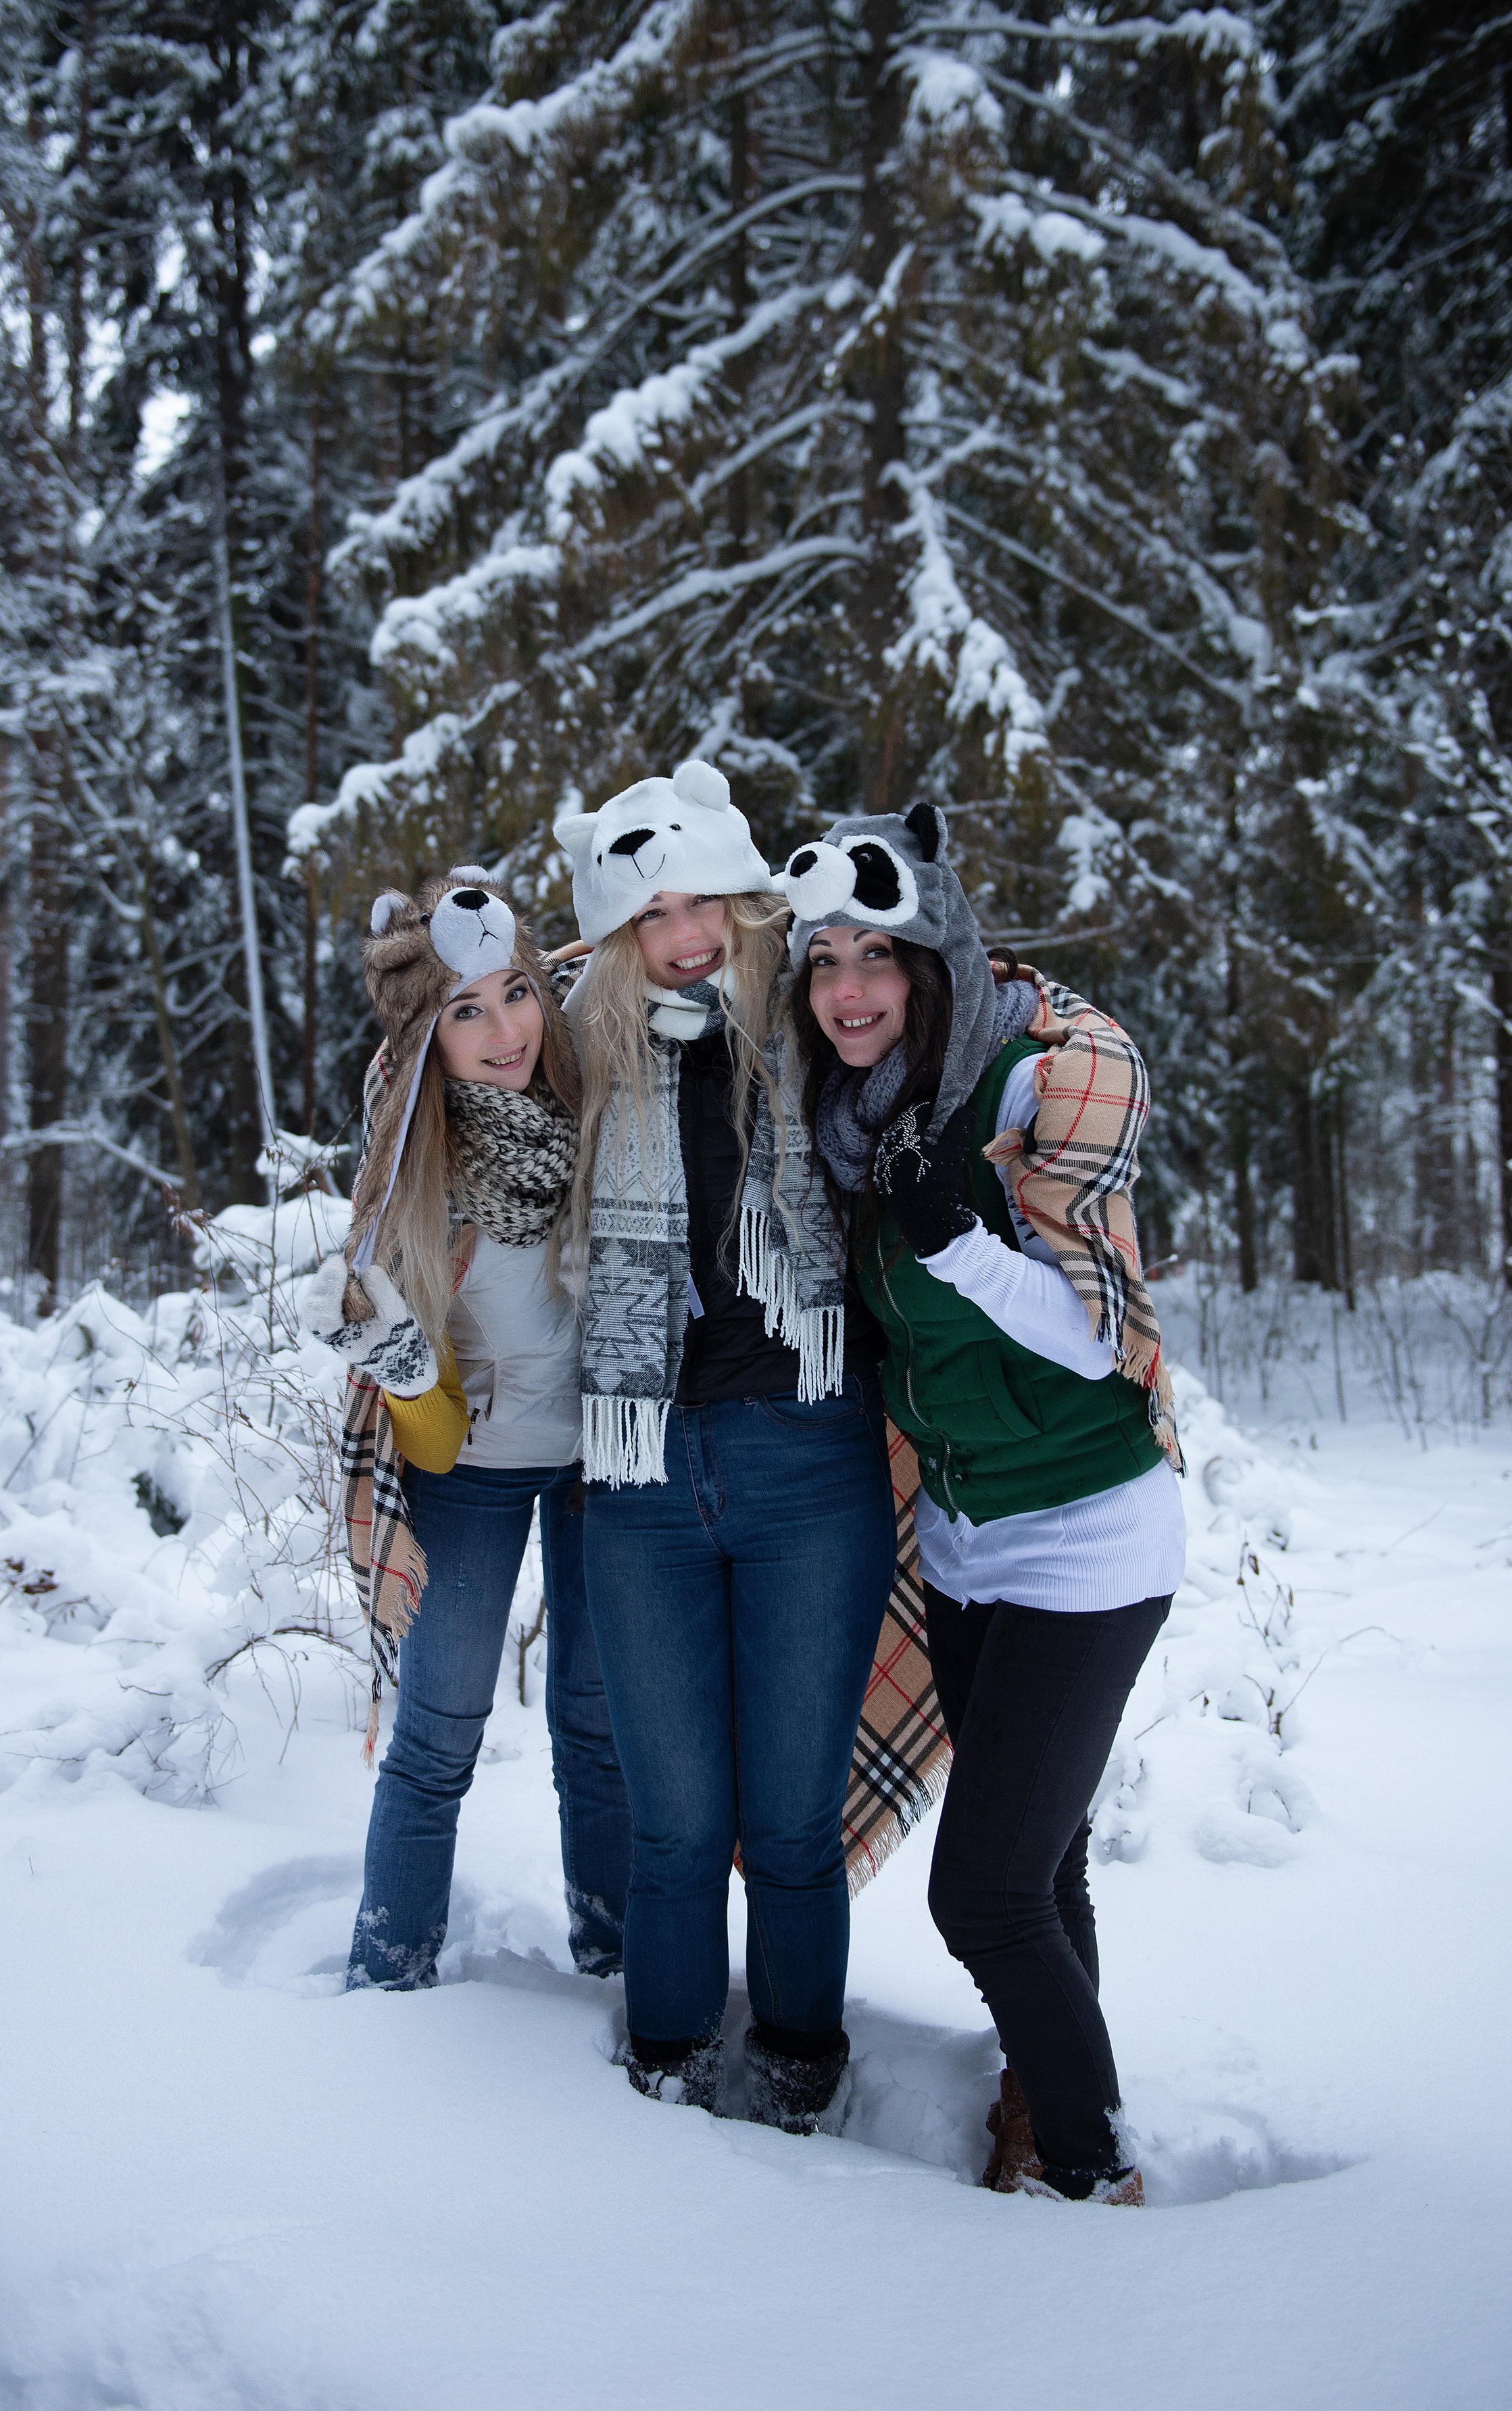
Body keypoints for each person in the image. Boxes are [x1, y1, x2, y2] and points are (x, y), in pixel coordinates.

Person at [781, 802, 1185, 2204]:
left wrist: (952, 1233)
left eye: (875, 958)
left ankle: (1087, 2164)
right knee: (1046, 1864)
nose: (846, 988)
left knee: (982, 1895)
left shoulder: (1021, 1087)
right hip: (961, 1546)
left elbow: (1097, 1338)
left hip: (1086, 1533)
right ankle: (1043, 2092)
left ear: (930, 960)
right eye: (822, 957)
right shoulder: (840, 1120)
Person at [552, 762, 897, 2132]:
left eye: (701, 902)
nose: (684, 935)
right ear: (614, 933)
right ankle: (664, 2083)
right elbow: (471, 1084)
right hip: (637, 1476)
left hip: (806, 1462)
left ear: (745, 898)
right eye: (649, 915)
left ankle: (803, 2078)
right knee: (678, 1829)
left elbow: (926, 978)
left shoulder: (812, 1023)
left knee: (795, 1830)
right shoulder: (584, 1054)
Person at [302, 869, 631, 1992]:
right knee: (439, 1738)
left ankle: (621, 1969)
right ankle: (388, 1975)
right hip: (474, 1475)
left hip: (604, 1476)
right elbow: (432, 1447)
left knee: (600, 1738)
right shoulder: (416, 1180)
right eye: (466, 1010)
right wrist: (399, 1369)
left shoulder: (603, 1116)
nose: (505, 1032)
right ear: (426, 1037)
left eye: (517, 994)